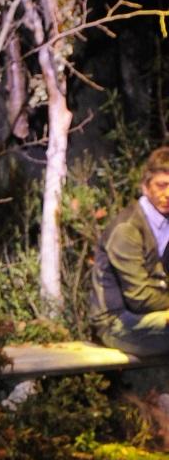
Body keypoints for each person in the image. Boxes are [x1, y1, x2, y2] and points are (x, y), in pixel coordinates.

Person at [89, 145, 169, 358]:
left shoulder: (166, 224)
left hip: (154, 315)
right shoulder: (127, 229)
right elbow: (139, 298)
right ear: (145, 187)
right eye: (161, 185)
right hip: (116, 323)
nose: (168, 194)